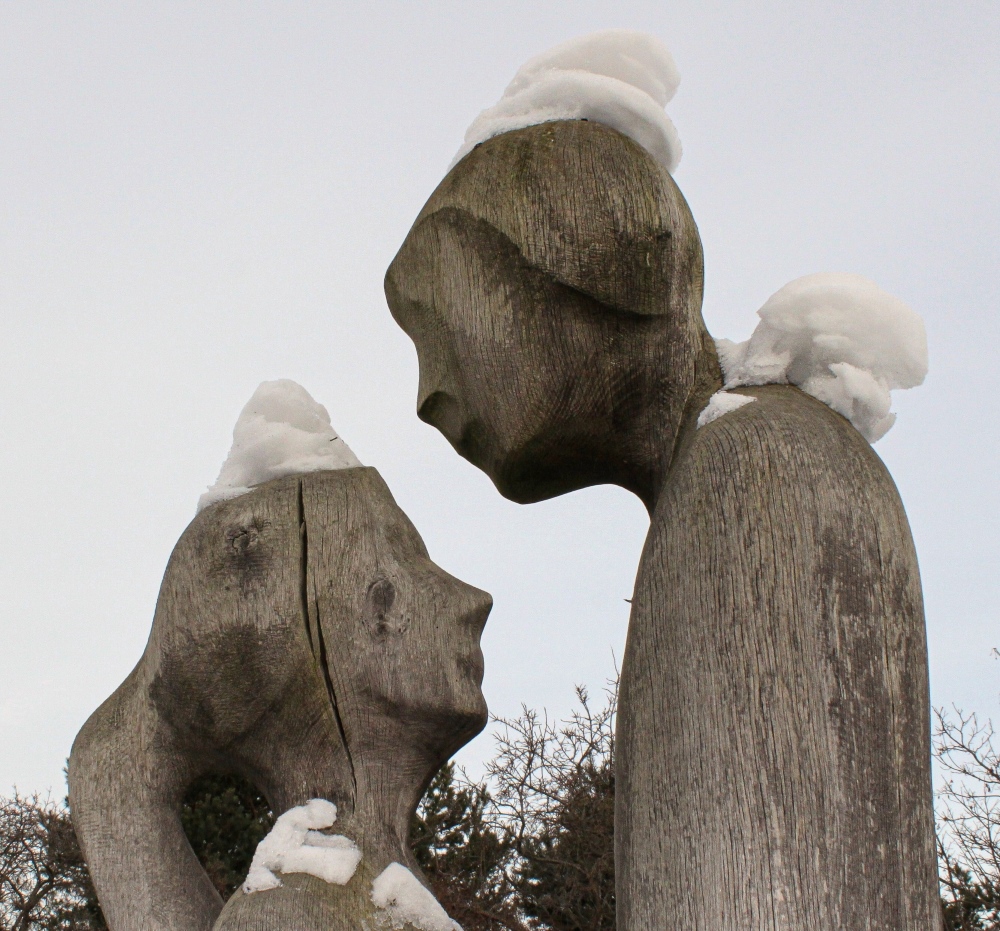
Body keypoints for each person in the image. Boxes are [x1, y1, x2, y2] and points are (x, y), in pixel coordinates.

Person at [385, 118, 940, 929]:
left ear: (583, 273)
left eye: (448, 327)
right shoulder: (738, 465)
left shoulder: (751, 473)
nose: (430, 392)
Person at [69, 466, 490, 931]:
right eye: (403, 561)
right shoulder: (295, 911)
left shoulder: (365, 887)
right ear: (365, 614)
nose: (473, 599)